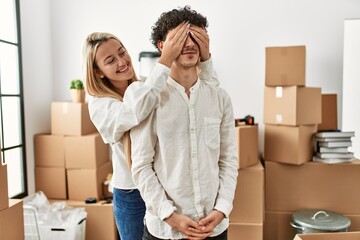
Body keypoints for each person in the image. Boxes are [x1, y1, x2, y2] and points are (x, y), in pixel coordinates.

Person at [82, 23, 219, 240]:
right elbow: (135, 112)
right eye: (110, 60)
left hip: (162, 189)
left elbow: (209, 91)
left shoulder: (146, 85)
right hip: (132, 193)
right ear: (97, 72)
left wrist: (205, 59)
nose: (122, 61)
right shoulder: (99, 105)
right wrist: (164, 60)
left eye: (122, 52)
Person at [131, 6, 238, 240]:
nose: (189, 44)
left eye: (196, 37)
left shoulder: (220, 98)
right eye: (180, 37)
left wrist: (222, 208)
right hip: (165, 230)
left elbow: (228, 160)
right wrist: (170, 215)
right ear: (162, 46)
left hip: (214, 227)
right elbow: (141, 166)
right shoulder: (150, 98)